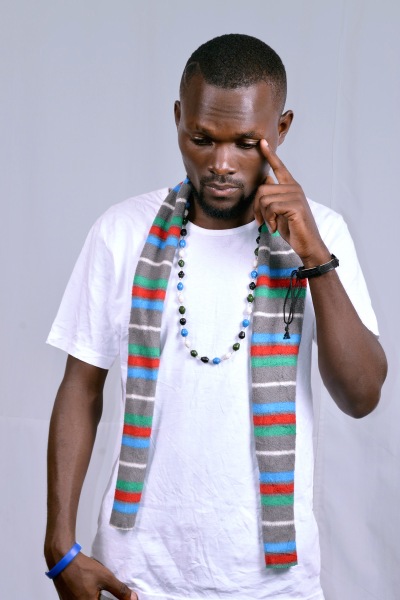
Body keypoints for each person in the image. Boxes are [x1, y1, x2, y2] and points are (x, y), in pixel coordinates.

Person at [44, 34, 387, 600]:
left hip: (273, 582)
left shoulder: (322, 233)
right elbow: (80, 389)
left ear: (282, 129)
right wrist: (60, 549)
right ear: (178, 118)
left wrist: (313, 256)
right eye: (201, 139)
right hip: (138, 573)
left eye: (247, 143)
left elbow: (361, 395)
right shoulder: (122, 231)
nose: (221, 164)